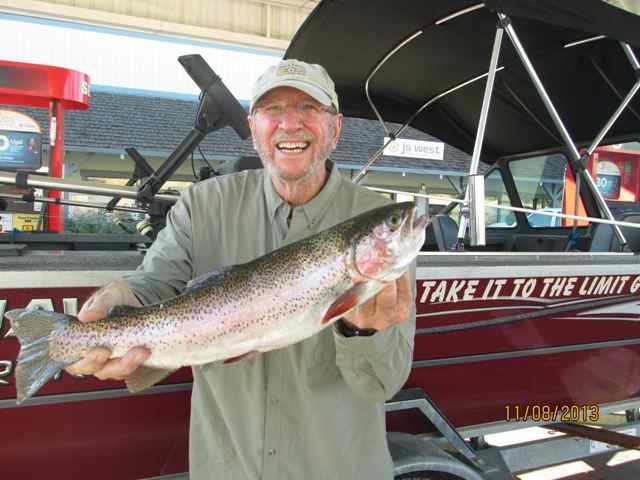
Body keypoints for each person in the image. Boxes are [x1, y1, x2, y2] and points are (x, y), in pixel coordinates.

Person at [67, 59, 416, 480]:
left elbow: (380, 385)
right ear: (254, 129)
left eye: (309, 108)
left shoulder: (377, 222)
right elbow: (151, 285)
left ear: (335, 129)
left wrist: (361, 331)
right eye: (273, 110)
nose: (291, 124)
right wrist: (106, 312)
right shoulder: (202, 204)